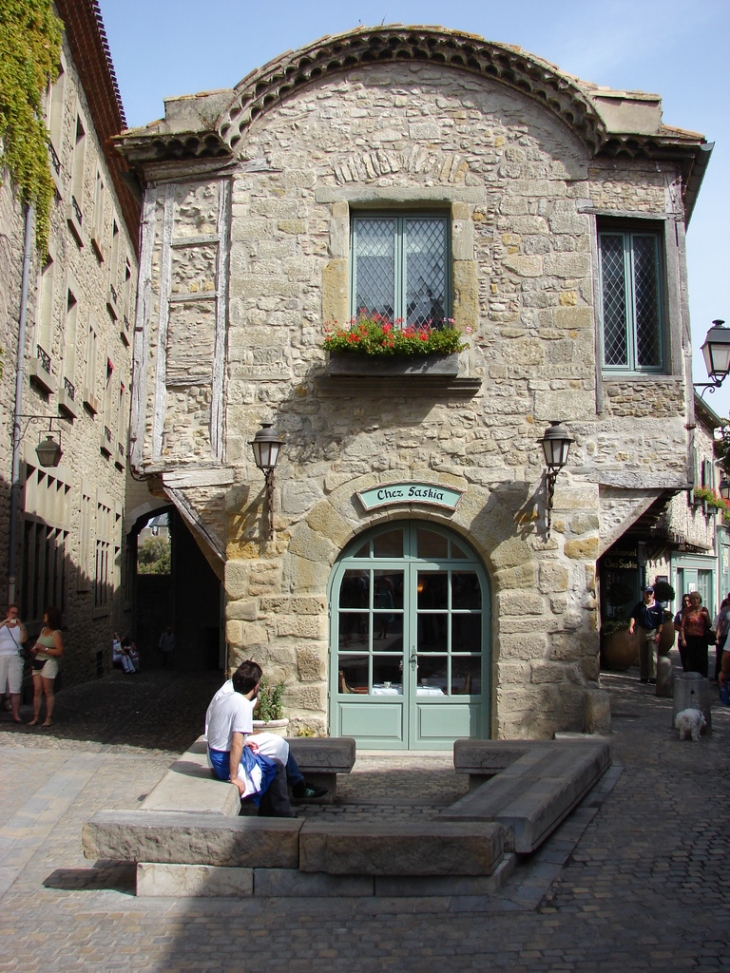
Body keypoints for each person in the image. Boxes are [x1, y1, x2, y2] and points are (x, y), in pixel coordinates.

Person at [204, 661, 325, 815]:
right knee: (275, 768)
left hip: (217, 757)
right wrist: (234, 777)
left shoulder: (224, 698)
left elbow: (224, 734)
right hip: (224, 764)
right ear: (255, 687)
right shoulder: (242, 705)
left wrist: (246, 744)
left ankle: (269, 811)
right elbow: (235, 744)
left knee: (271, 762)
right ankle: (282, 814)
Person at [29, 606, 64, 727]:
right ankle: (36, 717)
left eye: (46, 614)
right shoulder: (43, 630)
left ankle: (49, 718)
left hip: (49, 662)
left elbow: (59, 651)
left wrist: (45, 649)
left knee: (47, 691)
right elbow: (39, 644)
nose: (44, 616)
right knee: (37, 690)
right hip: (38, 661)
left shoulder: (56, 634)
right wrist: (36, 648)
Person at [628, 586, 664, 684]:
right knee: (642, 655)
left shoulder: (658, 606)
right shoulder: (640, 606)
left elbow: (661, 622)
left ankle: (653, 676)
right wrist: (631, 626)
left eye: (650, 593)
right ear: (643, 594)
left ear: (653, 594)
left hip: (653, 631)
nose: (648, 595)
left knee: (653, 655)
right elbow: (633, 616)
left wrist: (659, 633)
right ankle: (644, 676)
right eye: (646, 593)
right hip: (642, 631)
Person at [0, 604, 27, 723]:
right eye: (12, 613)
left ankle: (15, 715)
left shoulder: (19, 628)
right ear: (7, 613)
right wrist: (4, 622)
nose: (14, 615)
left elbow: (23, 640)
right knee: (0, 686)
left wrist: (21, 626)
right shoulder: (2, 627)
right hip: (1, 656)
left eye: (16, 613)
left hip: (15, 656)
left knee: (15, 686)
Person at [679, 591, 713, 677]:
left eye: (697, 598)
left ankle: (703, 678)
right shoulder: (687, 611)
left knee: (702, 660)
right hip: (690, 638)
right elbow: (682, 626)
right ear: (690, 600)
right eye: (693, 599)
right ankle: (692, 678)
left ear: (700, 600)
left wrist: (706, 617)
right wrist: (683, 639)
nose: (695, 601)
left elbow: (709, 625)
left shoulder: (704, 610)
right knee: (691, 660)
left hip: (701, 638)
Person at [712, 595, 730, 684]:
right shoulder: (725, 610)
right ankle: (717, 677)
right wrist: (717, 637)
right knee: (720, 657)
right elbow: (719, 624)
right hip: (724, 636)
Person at [674, 594, 692, 670]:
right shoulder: (680, 614)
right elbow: (675, 625)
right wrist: (682, 628)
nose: (686, 603)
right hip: (682, 638)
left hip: (692, 638)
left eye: (688, 601)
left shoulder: (694, 613)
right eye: (685, 601)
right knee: (684, 659)